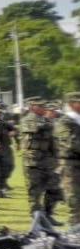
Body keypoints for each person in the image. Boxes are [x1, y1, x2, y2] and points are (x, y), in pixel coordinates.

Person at [19, 97, 64, 224]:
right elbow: (35, 128)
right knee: (35, 192)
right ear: (33, 107)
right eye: (41, 106)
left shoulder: (47, 121)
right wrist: (50, 123)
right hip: (32, 162)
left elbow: (52, 142)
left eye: (45, 106)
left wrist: (57, 158)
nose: (45, 108)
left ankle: (48, 214)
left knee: (55, 189)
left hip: (48, 162)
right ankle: (37, 218)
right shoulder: (26, 119)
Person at [57, 92, 80, 226]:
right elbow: (70, 143)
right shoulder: (64, 121)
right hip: (71, 165)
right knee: (74, 199)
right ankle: (75, 231)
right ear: (72, 104)